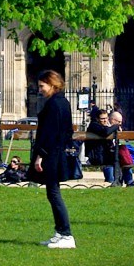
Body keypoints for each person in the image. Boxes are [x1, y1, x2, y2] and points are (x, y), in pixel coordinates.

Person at [31, 72, 76, 248]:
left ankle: (66, 234)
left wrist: (40, 156)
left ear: (52, 85)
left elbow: (49, 132)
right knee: (53, 192)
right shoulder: (62, 102)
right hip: (57, 152)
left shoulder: (54, 104)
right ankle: (60, 232)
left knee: (54, 193)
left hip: (51, 154)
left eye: (42, 86)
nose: (40, 89)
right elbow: (66, 131)